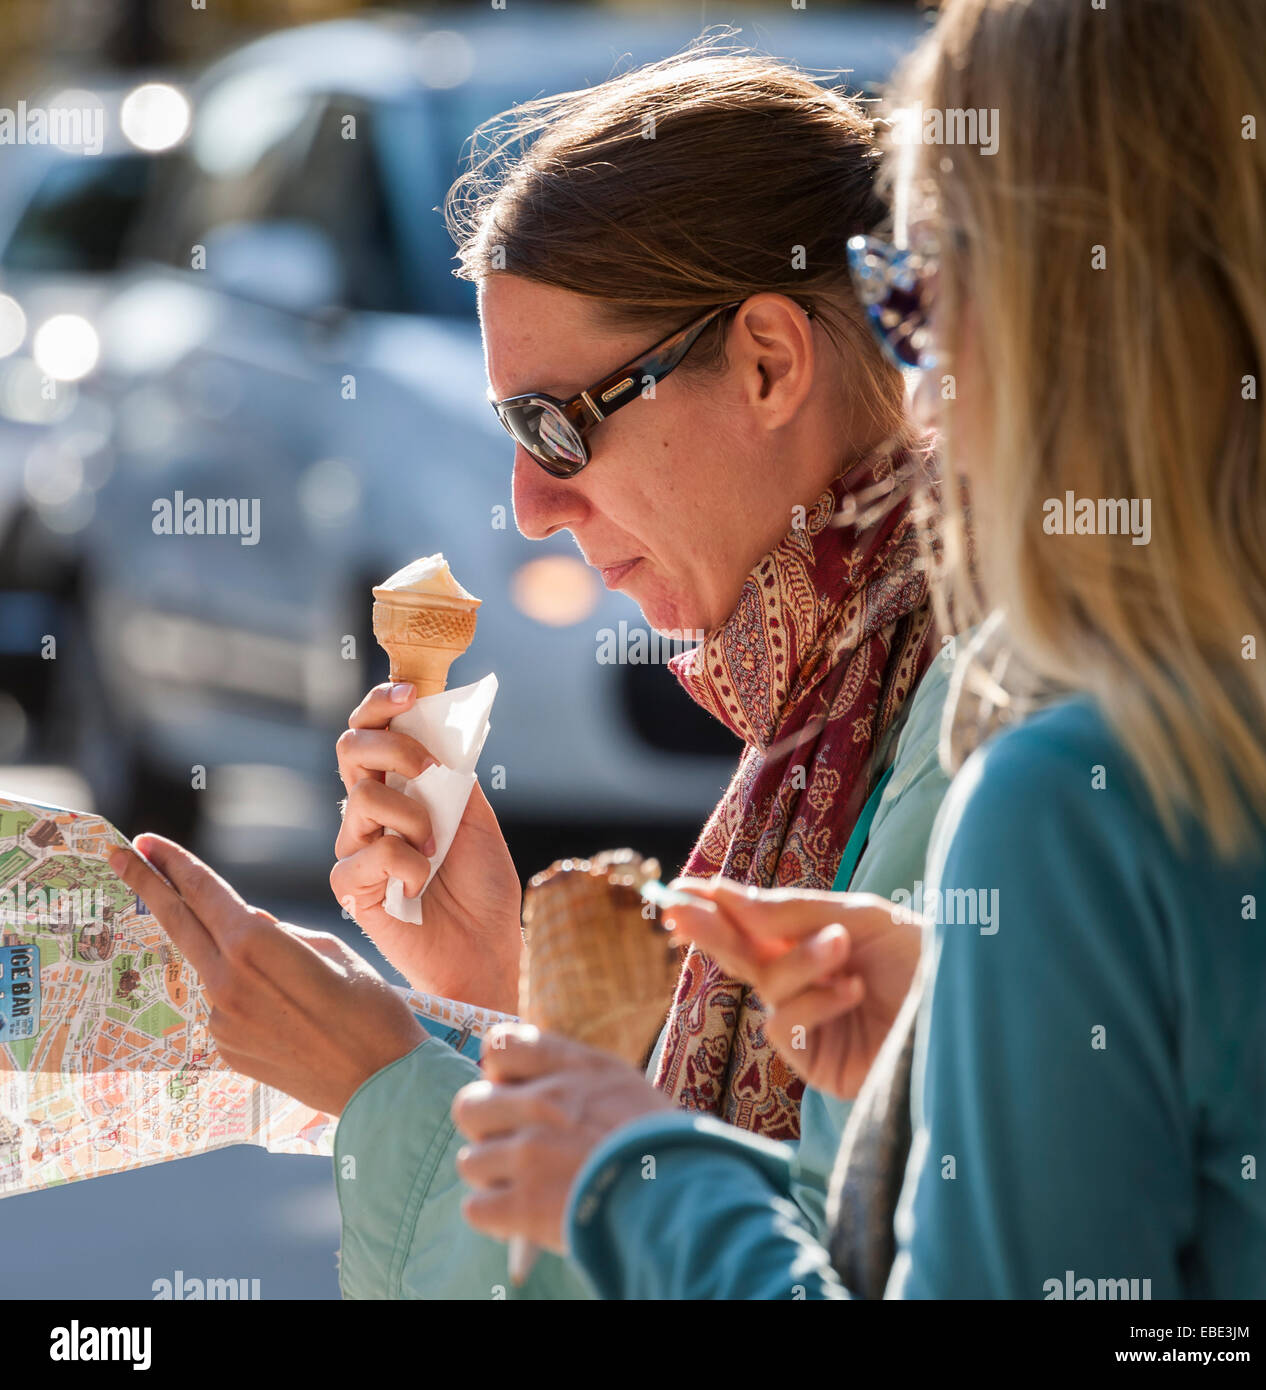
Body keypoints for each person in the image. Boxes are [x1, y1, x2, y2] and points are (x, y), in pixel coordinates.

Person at [448, 0, 1266, 1298]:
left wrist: (638, 1178)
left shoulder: (1068, 777)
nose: (912, 358)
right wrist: (943, 1043)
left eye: (914, 285)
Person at [110, 47, 956, 1299]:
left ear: (771, 362)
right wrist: (494, 978)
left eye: (558, 422)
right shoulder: (842, 688)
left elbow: (800, 1264)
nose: (531, 501)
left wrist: (385, 1088)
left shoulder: (967, 721)